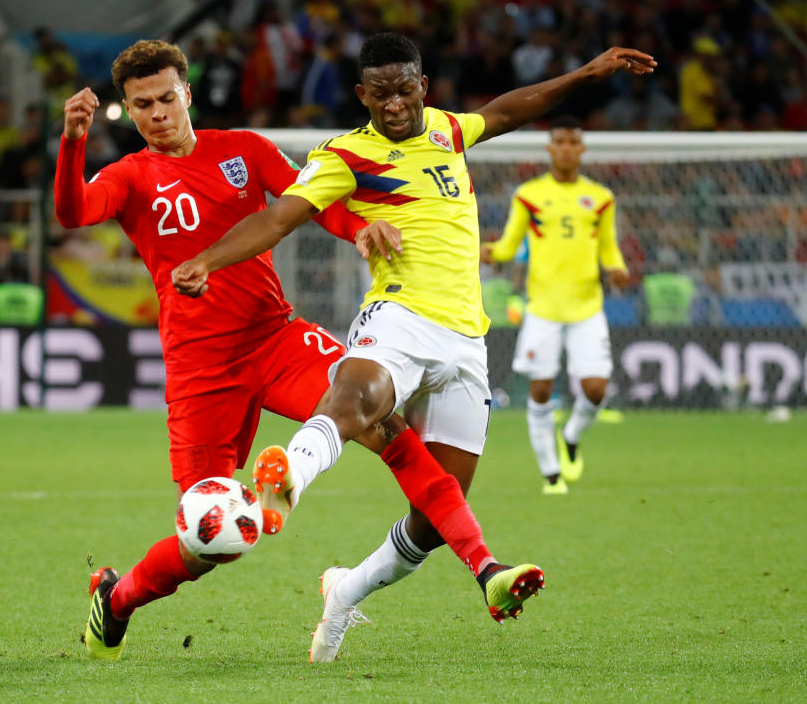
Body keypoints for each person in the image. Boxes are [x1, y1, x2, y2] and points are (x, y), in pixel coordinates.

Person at [173, 33, 654, 661]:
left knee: (433, 518)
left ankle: (345, 592)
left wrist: (586, 72)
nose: (394, 104)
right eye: (380, 94)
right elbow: (277, 218)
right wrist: (207, 259)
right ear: (361, 96)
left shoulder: (449, 132)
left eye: (405, 89)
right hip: (397, 315)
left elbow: (511, 109)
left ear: (423, 86)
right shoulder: (344, 154)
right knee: (356, 397)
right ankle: (285, 479)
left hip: (467, 340)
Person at [56, 39, 410, 661]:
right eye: (143, 105)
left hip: (275, 338)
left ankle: (462, 555)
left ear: (188, 93)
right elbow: (74, 211)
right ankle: (115, 600)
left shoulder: (243, 150)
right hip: (201, 370)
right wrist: (73, 142)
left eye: (167, 97)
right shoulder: (132, 176)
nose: (158, 112)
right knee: (210, 540)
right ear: (130, 112)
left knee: (378, 416)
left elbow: (311, 200)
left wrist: (359, 230)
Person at [482, 116, 629, 494]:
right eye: (559, 141)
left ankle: (573, 436)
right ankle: (551, 474)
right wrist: (490, 252)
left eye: (572, 141)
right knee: (541, 389)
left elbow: (609, 247)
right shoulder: (529, 195)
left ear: (581, 148)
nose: (565, 148)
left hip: (587, 307)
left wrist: (617, 269)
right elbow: (510, 245)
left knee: (596, 388)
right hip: (543, 308)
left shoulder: (600, 198)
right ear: (549, 148)